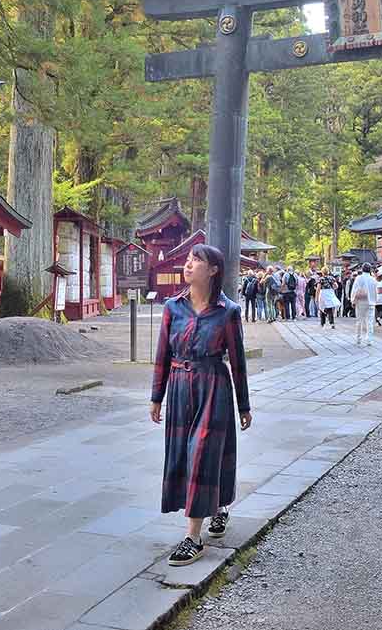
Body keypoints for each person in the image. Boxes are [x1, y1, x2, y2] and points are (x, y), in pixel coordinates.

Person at [150, 243, 252, 567]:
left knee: (202, 452)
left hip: (214, 387)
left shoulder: (229, 312)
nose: (190, 264)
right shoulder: (172, 308)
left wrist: (243, 406)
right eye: (190, 259)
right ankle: (219, 506)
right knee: (186, 454)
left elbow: (237, 363)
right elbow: (162, 355)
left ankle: (192, 537)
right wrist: (156, 397)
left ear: (213, 270)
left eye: (199, 260)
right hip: (180, 387)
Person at [350, 263, 378, 346]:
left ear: (362, 269)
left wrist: (353, 300)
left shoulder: (359, 278)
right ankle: (369, 339)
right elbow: (376, 292)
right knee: (369, 321)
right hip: (371, 302)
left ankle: (358, 338)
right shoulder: (373, 279)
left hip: (361, 301)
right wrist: (375, 301)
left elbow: (355, 290)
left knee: (359, 320)